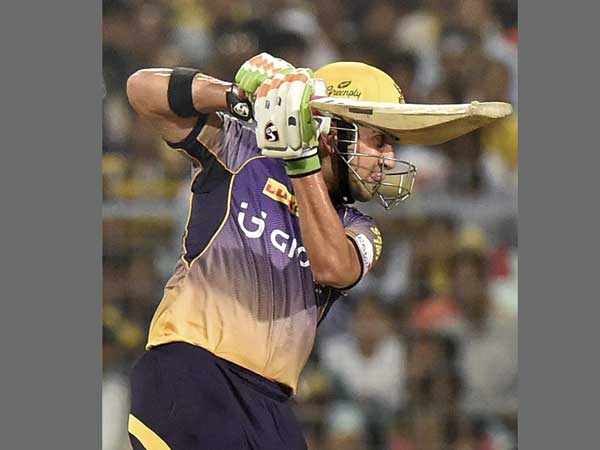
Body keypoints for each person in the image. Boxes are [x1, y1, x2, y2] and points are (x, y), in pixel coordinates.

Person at [124, 52, 417, 450]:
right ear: (332, 131)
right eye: (379, 141)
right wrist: (235, 96)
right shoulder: (241, 149)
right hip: (192, 371)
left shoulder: (360, 227)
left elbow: (333, 268)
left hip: (270, 405)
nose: (389, 160)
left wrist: (302, 160)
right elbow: (141, 90)